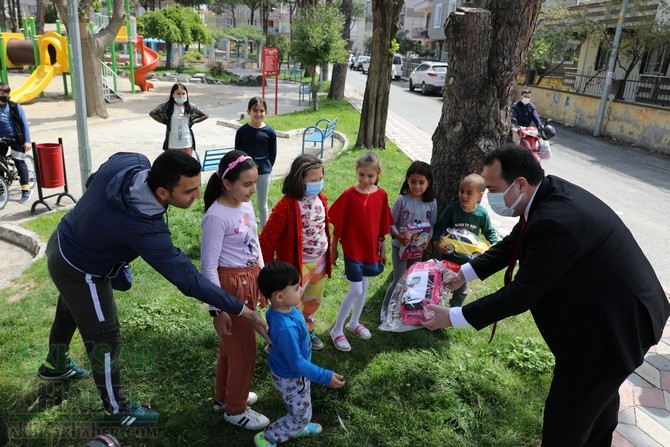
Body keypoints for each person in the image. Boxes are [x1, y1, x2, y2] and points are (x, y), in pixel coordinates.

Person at [422, 144, 670, 447]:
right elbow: (515, 242)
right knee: (596, 411)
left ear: (520, 183)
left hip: (613, 332)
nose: (489, 196)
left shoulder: (555, 220)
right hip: (613, 318)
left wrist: (453, 317)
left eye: (492, 188)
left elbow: (521, 294)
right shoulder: (546, 195)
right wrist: (465, 273)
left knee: (565, 425)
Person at [36, 150, 268, 426]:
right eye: (189, 191)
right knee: (105, 336)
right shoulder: (146, 230)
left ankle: (55, 365)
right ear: (162, 192)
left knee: (70, 309)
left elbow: (95, 178)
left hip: (62, 239)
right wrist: (242, 310)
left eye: (198, 185)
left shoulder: (133, 162)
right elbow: (188, 279)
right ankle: (116, 407)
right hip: (80, 268)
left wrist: (101, 227)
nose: (198, 195)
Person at [201, 149, 270, 431]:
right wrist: (217, 310)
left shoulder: (245, 205)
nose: (253, 190)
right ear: (226, 183)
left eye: (255, 183)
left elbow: (254, 243)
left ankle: (224, 396)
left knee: (230, 348)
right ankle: (235, 409)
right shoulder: (216, 217)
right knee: (243, 349)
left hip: (250, 278)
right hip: (230, 287)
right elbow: (207, 269)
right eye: (247, 184)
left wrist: (263, 280)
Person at [254, 261, 345, 447]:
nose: (301, 290)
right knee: (302, 414)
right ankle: (269, 437)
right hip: (292, 376)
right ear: (280, 296)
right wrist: (325, 376)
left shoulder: (282, 310)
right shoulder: (286, 328)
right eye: (296, 288)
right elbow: (297, 363)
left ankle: (296, 425)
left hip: (289, 373)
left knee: (297, 406)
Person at [259, 155, 332, 351]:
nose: (318, 183)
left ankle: (307, 330)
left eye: (320, 179)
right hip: (295, 265)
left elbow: (322, 228)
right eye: (313, 180)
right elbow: (268, 238)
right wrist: (264, 271)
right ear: (299, 179)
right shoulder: (286, 206)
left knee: (312, 301)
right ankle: (277, 340)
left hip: (319, 261)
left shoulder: (321, 199)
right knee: (288, 305)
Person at [328, 151, 393, 351]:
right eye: (361, 175)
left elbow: (382, 224)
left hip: (370, 249)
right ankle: (337, 329)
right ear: (357, 172)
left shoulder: (381, 195)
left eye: (370, 176)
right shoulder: (349, 195)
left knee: (364, 288)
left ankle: (354, 322)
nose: (365, 180)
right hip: (353, 250)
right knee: (355, 289)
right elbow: (338, 224)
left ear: (378, 175)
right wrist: (334, 248)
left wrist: (382, 249)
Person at [380, 161, 437, 321]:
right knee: (398, 279)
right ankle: (385, 307)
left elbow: (432, 224)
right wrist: (398, 236)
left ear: (428, 183)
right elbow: (390, 222)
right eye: (413, 182)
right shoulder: (402, 200)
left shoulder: (431, 202)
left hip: (417, 249)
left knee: (412, 280)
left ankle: (404, 308)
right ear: (407, 180)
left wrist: (428, 240)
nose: (417, 186)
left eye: (421, 182)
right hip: (400, 247)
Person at [432, 173, 498, 307]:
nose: (464, 196)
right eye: (461, 191)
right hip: (448, 257)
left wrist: (494, 243)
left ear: (479, 196)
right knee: (440, 284)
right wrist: (436, 241)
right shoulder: (452, 209)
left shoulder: (481, 214)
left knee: (461, 290)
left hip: (467, 263)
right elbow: (439, 225)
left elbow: (489, 231)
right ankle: (435, 308)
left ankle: (454, 312)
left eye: (469, 193)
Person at [235, 97, 277, 227]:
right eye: (255, 110)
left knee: (262, 204)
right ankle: (246, 228)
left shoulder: (270, 132)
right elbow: (238, 153)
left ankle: (265, 232)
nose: (258, 114)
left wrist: (267, 167)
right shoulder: (242, 131)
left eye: (261, 110)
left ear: (266, 112)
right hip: (245, 173)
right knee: (244, 201)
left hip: (264, 172)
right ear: (248, 111)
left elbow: (272, 153)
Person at [149, 82, 208, 157]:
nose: (181, 96)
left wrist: (192, 121)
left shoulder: (190, 106)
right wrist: (165, 121)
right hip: (172, 141)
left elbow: (205, 115)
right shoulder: (167, 106)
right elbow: (152, 113)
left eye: (183, 93)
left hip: (187, 141)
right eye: (178, 93)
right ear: (173, 94)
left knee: (187, 163)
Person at [0, 82, 33, 203]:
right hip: (1, 139)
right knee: (0, 163)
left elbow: (24, 124)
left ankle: (26, 189)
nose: (3, 95)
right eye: (1, 92)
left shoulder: (14, 107)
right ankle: (1, 189)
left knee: (19, 162)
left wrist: (27, 141)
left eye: (5, 93)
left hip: (15, 138)